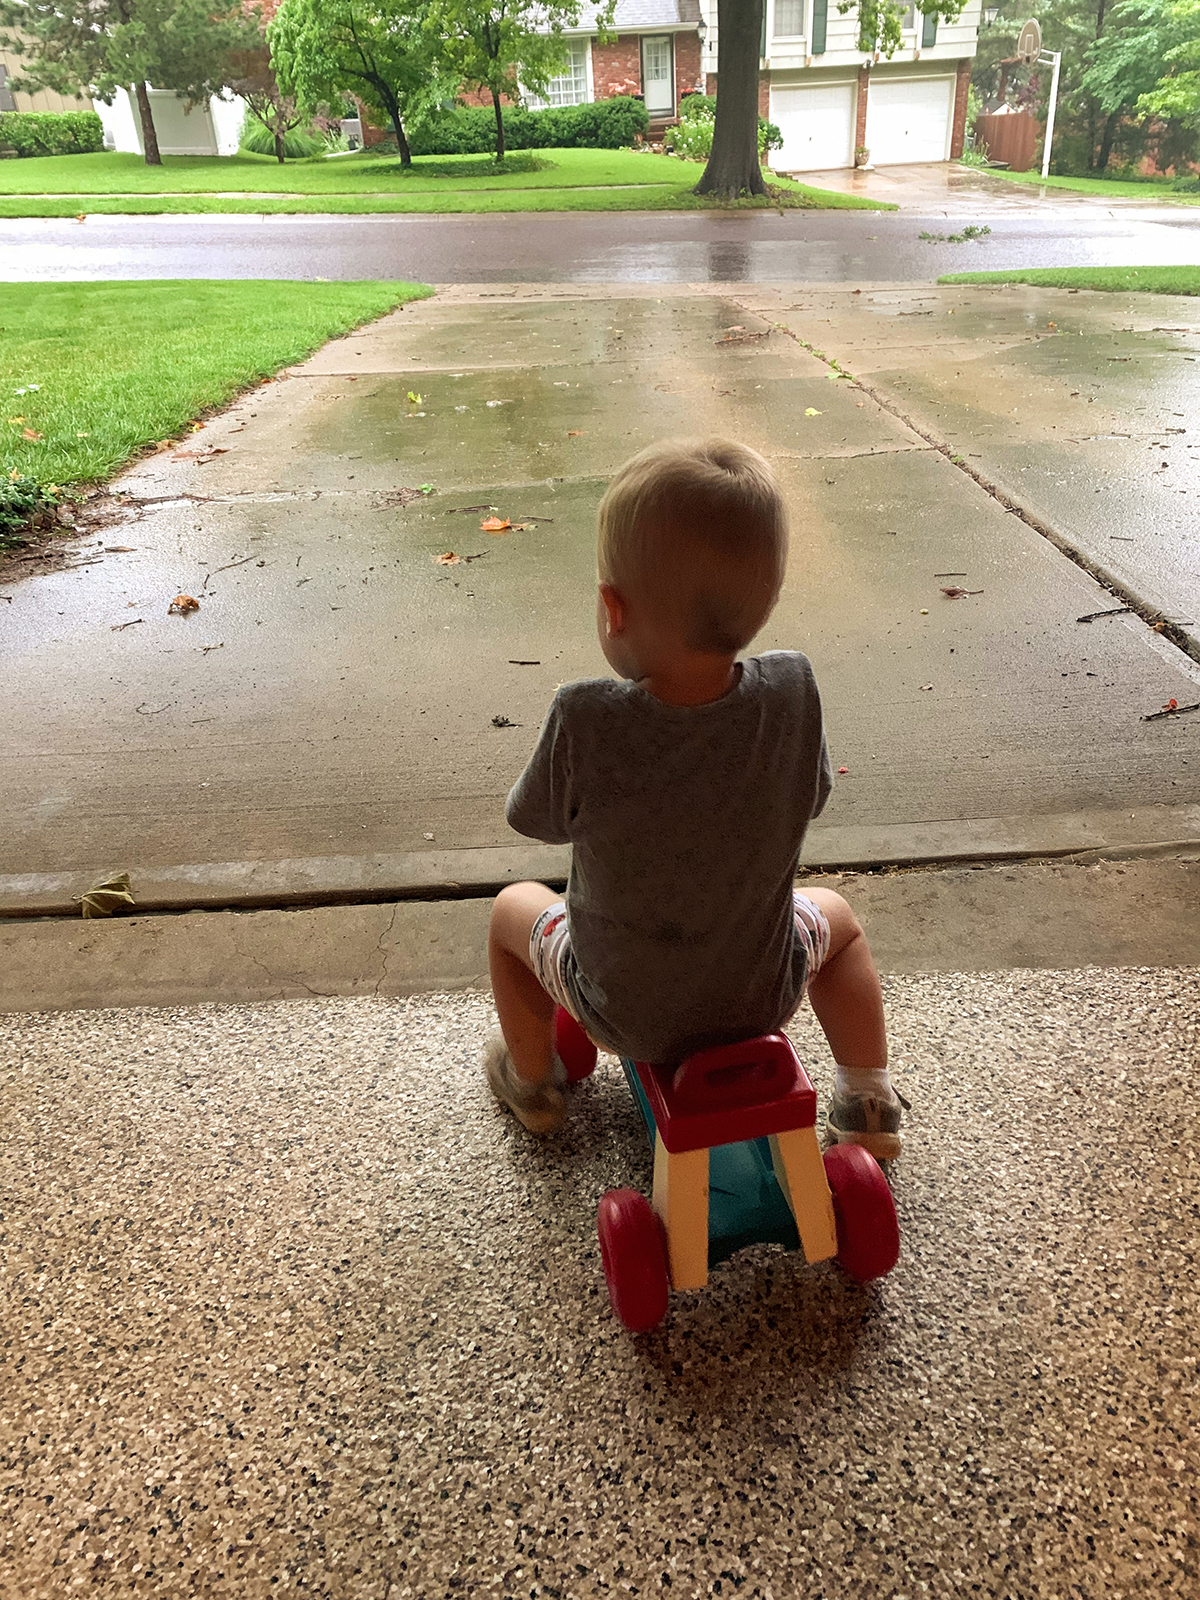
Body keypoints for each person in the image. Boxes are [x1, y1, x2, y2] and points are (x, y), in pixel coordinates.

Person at [484, 437, 902, 1160]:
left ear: (613, 609)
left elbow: (534, 821)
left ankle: (533, 1085)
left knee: (511, 911)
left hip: (622, 1011)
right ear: (767, 601)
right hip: (760, 996)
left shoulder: (585, 718)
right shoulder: (793, 692)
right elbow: (813, 796)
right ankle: (868, 1100)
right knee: (838, 920)